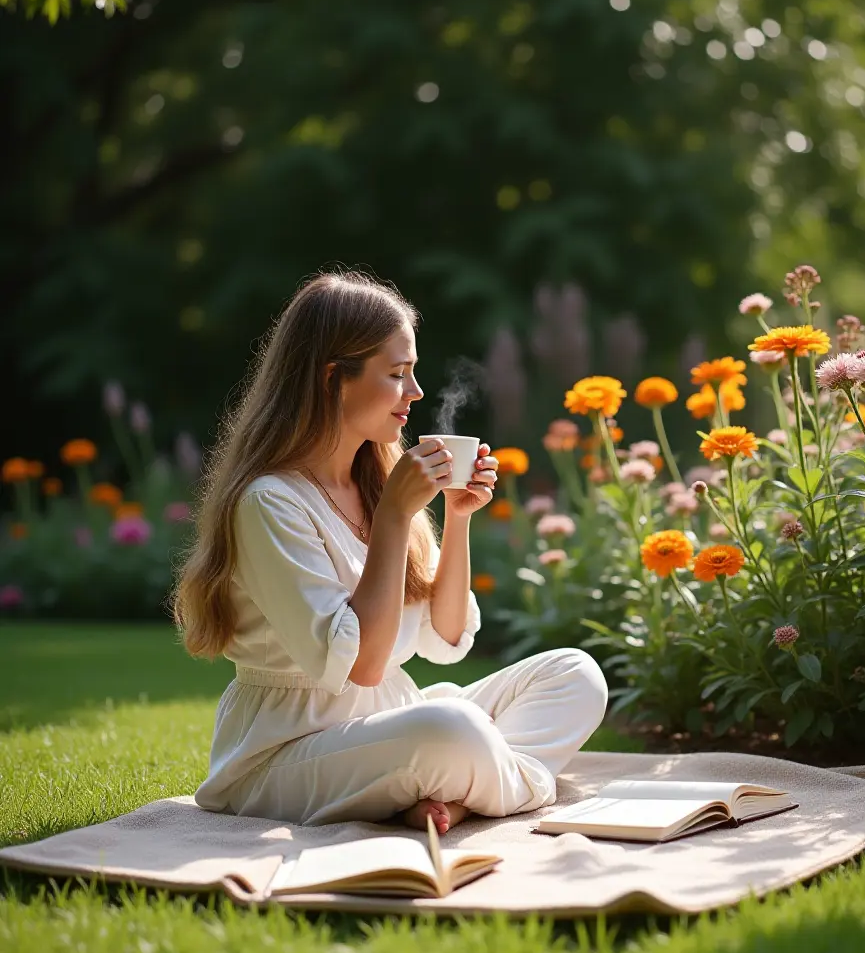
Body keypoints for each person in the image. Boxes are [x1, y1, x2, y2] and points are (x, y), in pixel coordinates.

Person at [173, 271, 608, 834]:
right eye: (398, 374)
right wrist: (395, 517)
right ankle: (502, 788)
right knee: (452, 731)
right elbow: (364, 664)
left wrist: (457, 517)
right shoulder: (269, 503)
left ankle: (461, 793)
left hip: (390, 721)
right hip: (286, 755)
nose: (416, 393)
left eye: (415, 373)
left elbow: (446, 638)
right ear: (334, 378)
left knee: (575, 673)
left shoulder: (374, 481)